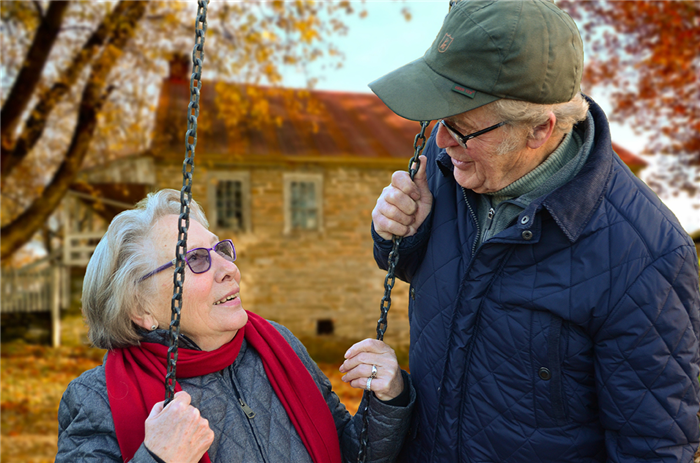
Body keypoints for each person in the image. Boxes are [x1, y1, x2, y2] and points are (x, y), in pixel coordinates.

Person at [368, 0, 700, 462]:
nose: (441, 141)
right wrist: (398, 232)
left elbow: (655, 447)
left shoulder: (647, 255)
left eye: (461, 129)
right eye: (439, 121)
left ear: (540, 130)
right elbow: (414, 268)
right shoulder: (451, 161)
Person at [57, 189, 415, 463]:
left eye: (221, 250)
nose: (228, 268)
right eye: (195, 260)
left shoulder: (277, 346)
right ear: (140, 308)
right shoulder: (96, 398)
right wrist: (157, 458)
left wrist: (387, 399)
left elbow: (349, 452)